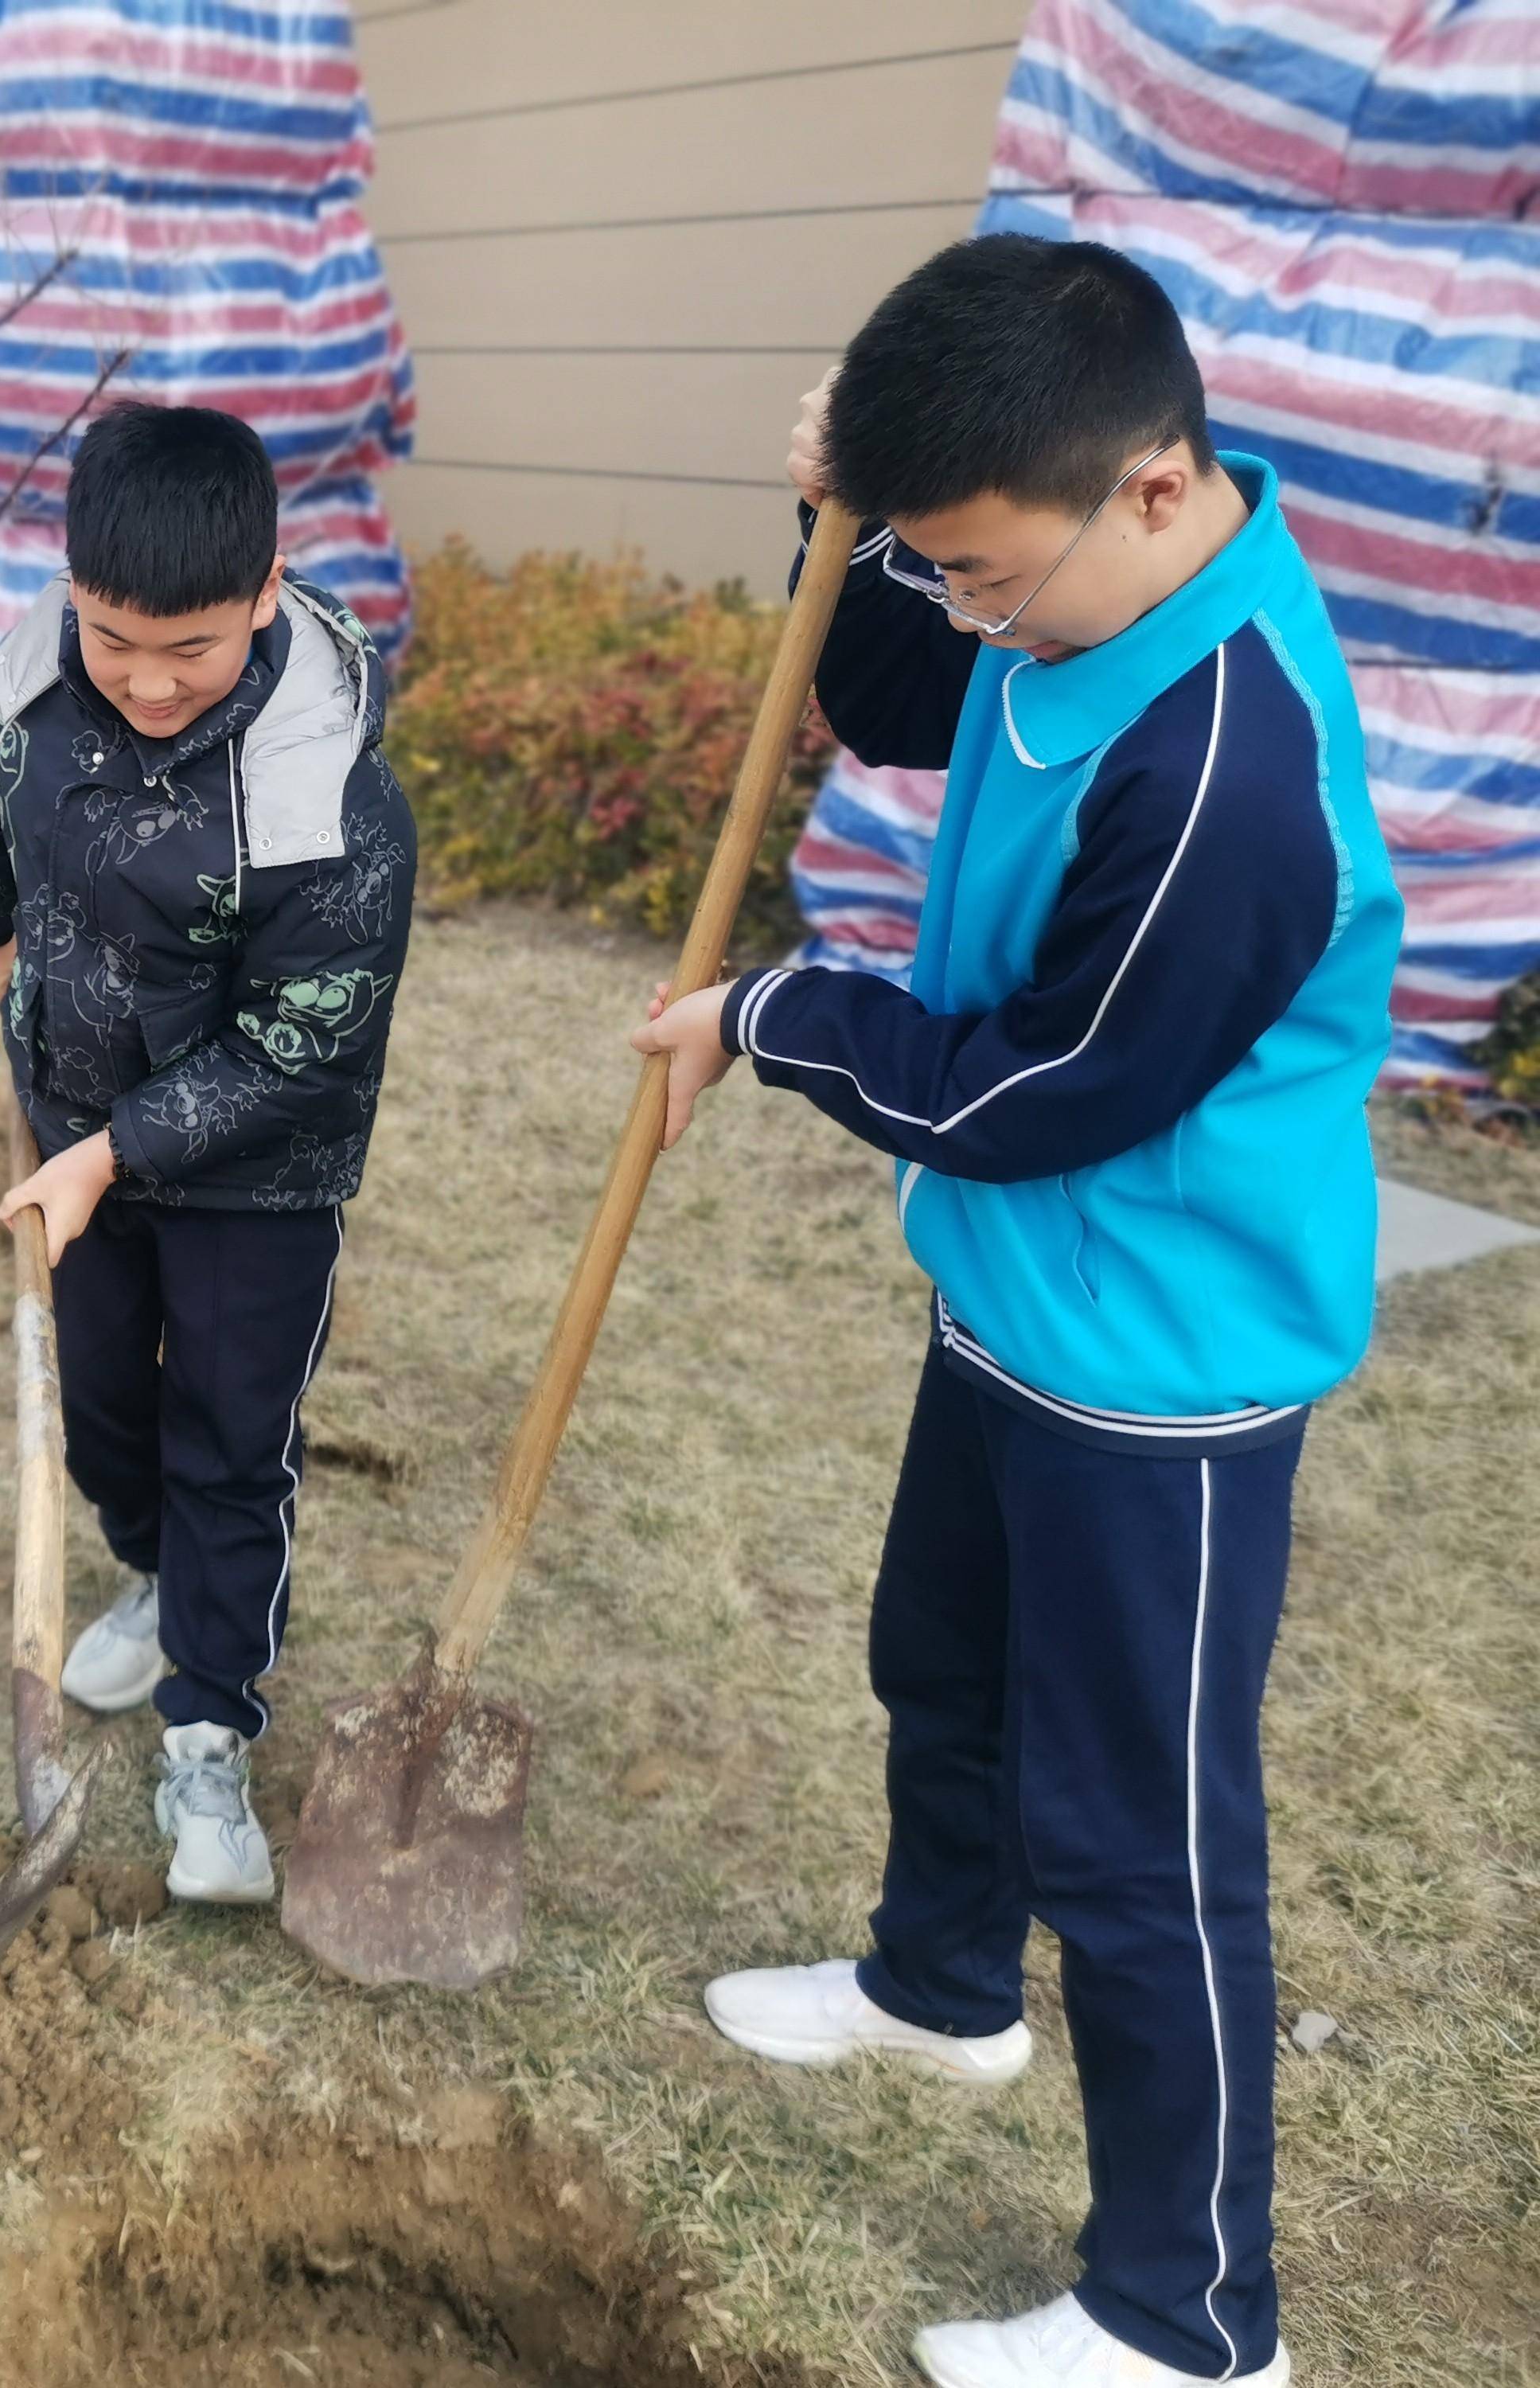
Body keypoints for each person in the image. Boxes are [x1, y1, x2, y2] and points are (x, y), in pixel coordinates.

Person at [630, 235, 1402, 2388]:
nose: (957, 607)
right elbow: (882, 690)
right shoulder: (1079, 590)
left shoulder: (1231, 776)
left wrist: (778, 1008)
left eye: (972, 566)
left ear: (1153, 488)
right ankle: (942, 1989)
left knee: (1141, 1848)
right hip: (1017, 1313)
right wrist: (843, 531)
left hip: (1157, 1366)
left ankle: (1191, 2316)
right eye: (934, 559)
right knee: (937, 1669)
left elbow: (1049, 1091)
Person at [0, 403, 417, 1906]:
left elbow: (304, 1044)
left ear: (267, 590)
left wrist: (113, 1152)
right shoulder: (31, 673)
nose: (146, 681)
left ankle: (210, 1727)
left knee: (227, 1436)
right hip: (75, 1135)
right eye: (113, 638)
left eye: (191, 649)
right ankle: (150, 1574)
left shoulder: (321, 787)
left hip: (254, 1178)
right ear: (74, 591)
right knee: (103, 1413)